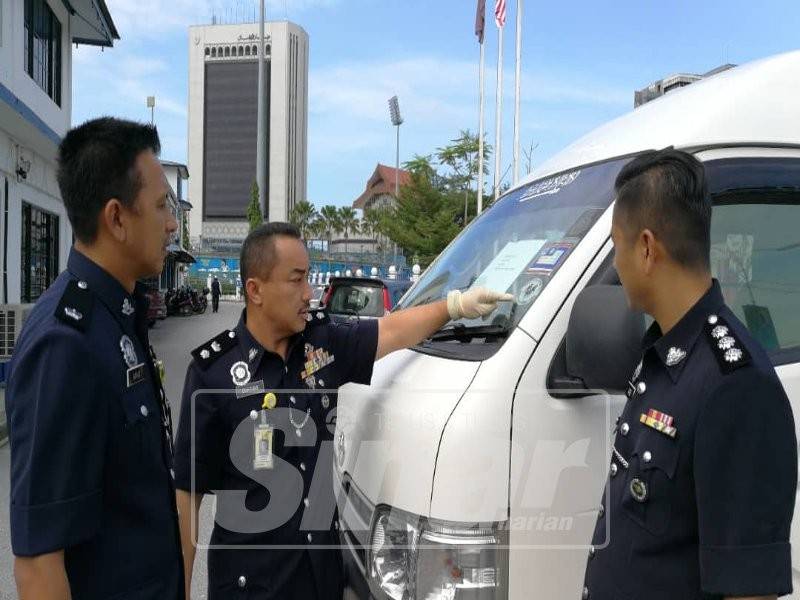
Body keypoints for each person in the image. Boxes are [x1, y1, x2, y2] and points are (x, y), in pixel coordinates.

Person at [174, 222, 513, 600]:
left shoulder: (322, 343)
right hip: (251, 585)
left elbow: (391, 331)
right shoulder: (212, 373)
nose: (309, 293)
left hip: (319, 579)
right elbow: (187, 495)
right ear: (254, 290)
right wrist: (182, 590)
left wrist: (455, 306)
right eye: (297, 280)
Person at [582, 148, 796, 600]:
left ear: (645, 248)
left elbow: (748, 591)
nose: (616, 265)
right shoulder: (663, 356)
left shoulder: (736, 386)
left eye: (617, 246)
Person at [5, 117, 184, 600]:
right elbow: (40, 564)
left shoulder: (117, 317)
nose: (172, 224)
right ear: (117, 218)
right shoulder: (66, 343)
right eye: (163, 206)